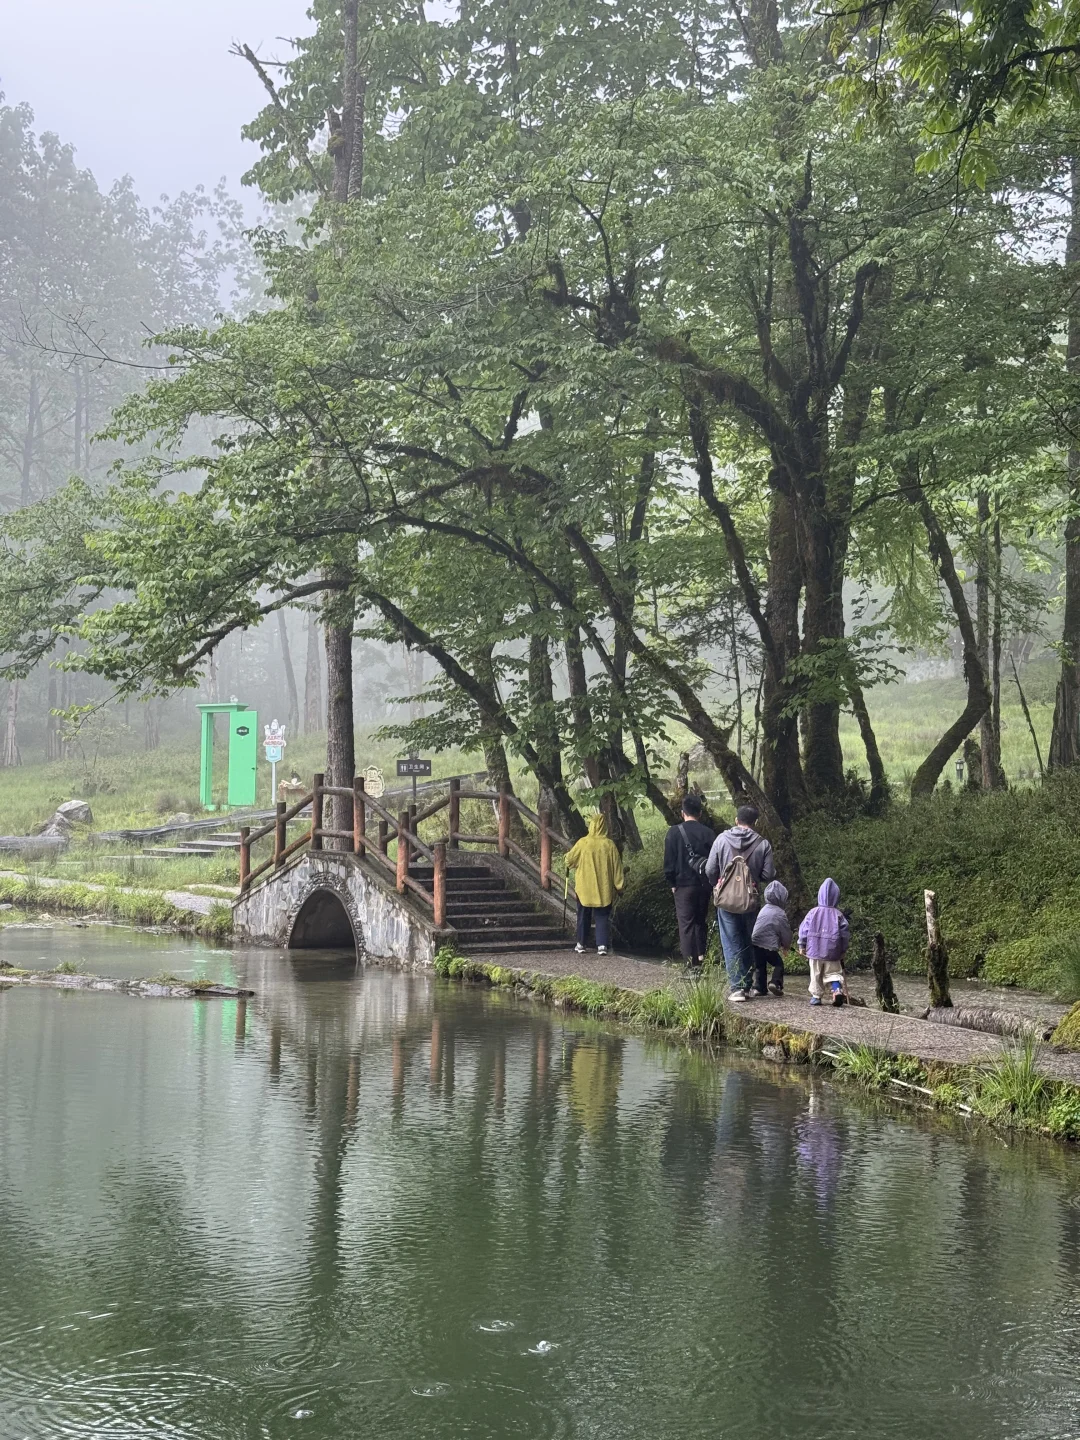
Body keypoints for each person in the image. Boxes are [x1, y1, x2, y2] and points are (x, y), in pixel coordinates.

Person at [705, 804, 776, 1001]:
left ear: (736, 820)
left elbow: (710, 869)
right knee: (750, 940)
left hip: (726, 900)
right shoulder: (763, 844)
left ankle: (737, 988)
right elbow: (769, 874)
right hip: (751, 901)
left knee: (731, 941)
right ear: (755, 822)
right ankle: (749, 984)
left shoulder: (721, 839)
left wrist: (717, 884)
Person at [663, 793, 715, 971]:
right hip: (704, 885)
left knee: (686, 924)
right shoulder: (709, 833)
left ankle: (690, 964)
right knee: (700, 920)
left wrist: (672, 883)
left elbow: (668, 862)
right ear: (700, 813)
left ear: (682, 812)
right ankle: (701, 958)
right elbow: (714, 862)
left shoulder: (673, 832)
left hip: (682, 885)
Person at [565, 812, 625, 956]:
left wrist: (568, 859)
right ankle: (602, 946)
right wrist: (619, 886)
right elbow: (617, 867)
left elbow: (569, 860)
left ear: (591, 825)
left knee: (583, 915)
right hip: (603, 889)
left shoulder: (583, 843)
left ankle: (581, 944)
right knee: (602, 916)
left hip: (584, 888)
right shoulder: (609, 845)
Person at [798, 878, 850, 1006]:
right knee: (834, 972)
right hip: (833, 951)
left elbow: (804, 929)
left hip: (814, 950)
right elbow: (844, 935)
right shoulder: (838, 915)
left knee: (815, 974)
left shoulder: (812, 912)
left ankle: (816, 997)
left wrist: (802, 945)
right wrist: (843, 949)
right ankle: (837, 990)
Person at [751, 880, 791, 997]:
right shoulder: (780, 913)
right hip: (768, 945)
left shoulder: (763, 909)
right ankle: (775, 983)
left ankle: (759, 988)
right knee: (778, 964)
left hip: (755, 942)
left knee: (760, 966)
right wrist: (786, 945)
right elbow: (785, 932)